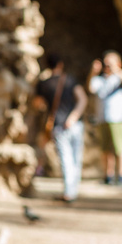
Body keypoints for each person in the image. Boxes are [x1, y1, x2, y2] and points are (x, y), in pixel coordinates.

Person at [33, 53, 88, 202]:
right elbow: (83, 99)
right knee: (76, 158)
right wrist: (74, 117)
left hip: (58, 124)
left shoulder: (43, 84)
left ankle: (69, 192)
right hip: (76, 124)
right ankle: (73, 190)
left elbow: (38, 104)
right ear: (61, 64)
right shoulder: (70, 80)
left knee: (66, 159)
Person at [88, 50, 122, 186]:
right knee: (106, 150)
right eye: (106, 64)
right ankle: (108, 176)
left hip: (118, 119)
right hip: (102, 118)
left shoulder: (120, 77)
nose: (107, 67)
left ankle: (121, 177)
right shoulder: (100, 79)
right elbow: (91, 88)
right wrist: (94, 71)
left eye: (110, 64)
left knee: (121, 148)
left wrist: (116, 70)